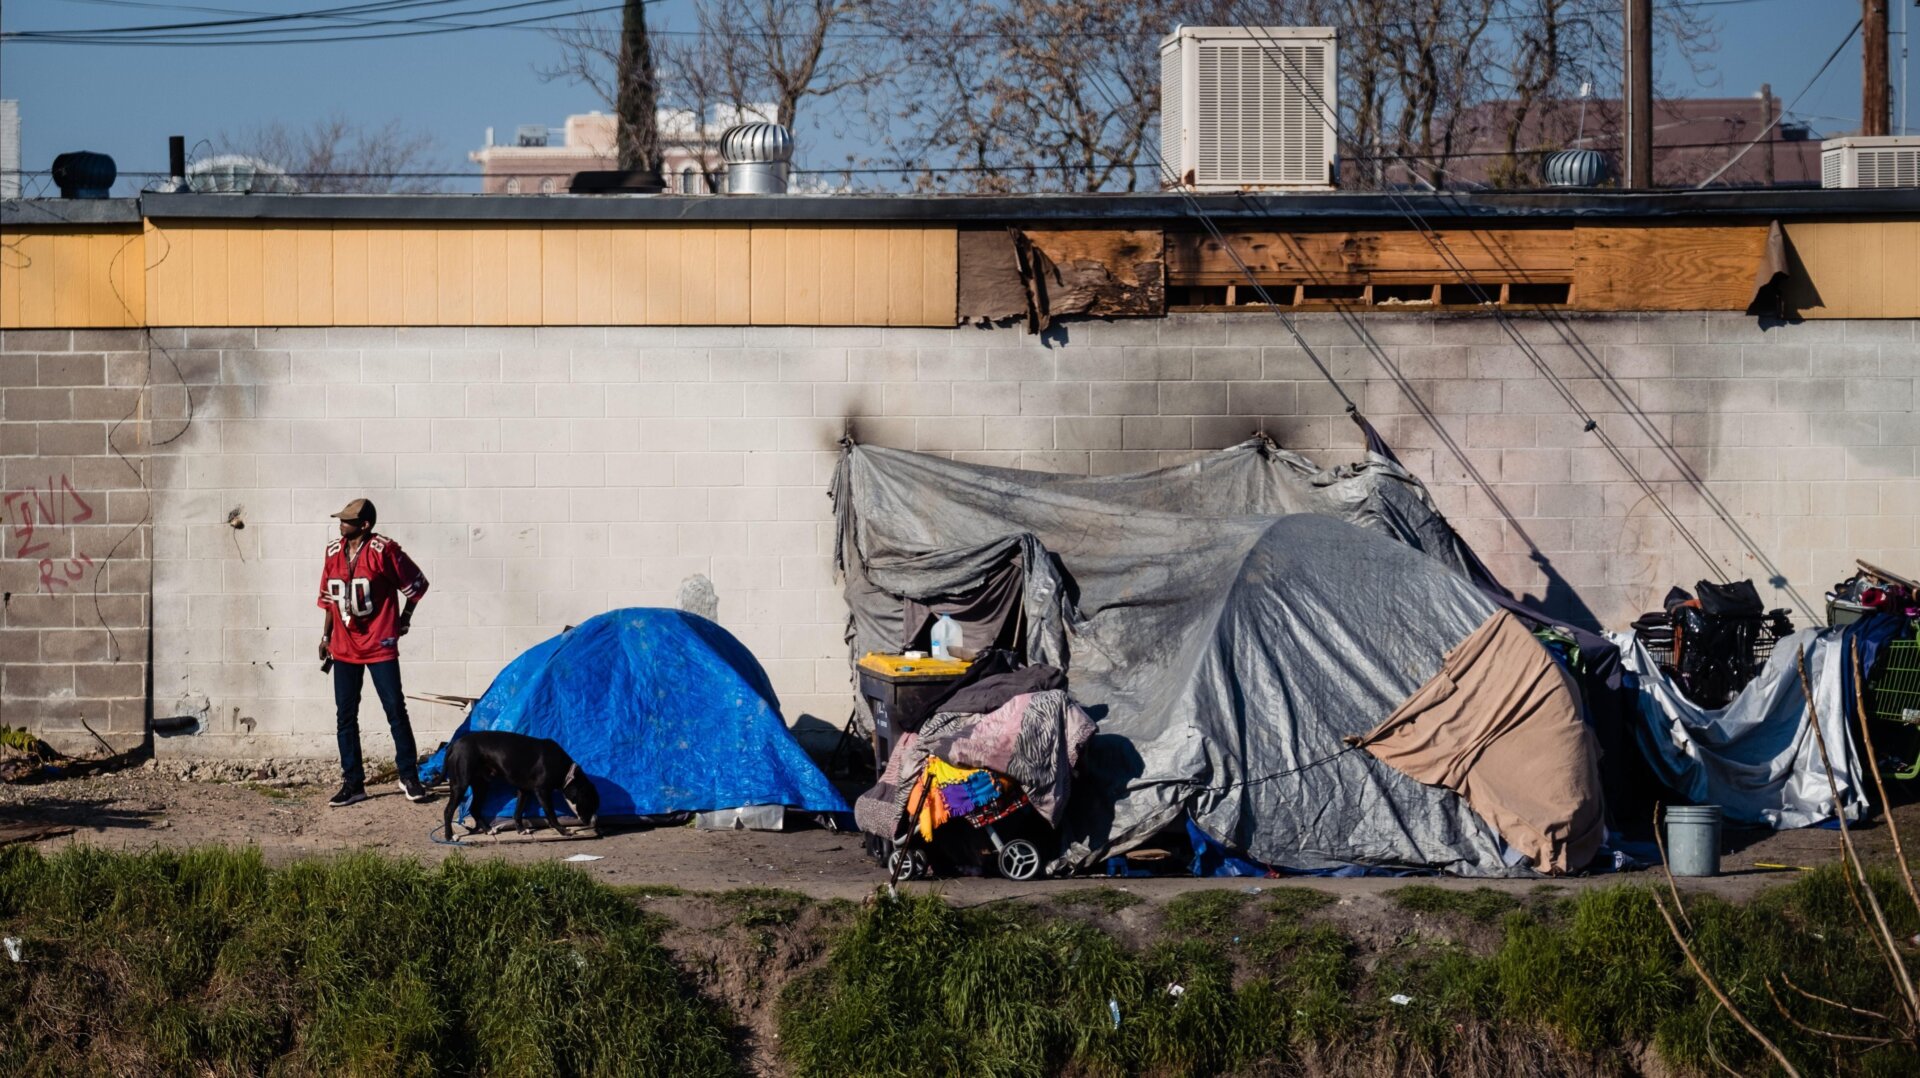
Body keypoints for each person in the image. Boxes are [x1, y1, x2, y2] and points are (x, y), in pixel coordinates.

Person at [318, 498, 431, 808]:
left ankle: (409, 775)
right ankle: (353, 783)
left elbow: (417, 585)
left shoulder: (384, 550)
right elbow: (329, 599)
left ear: (364, 525)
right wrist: (326, 636)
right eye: (341, 519)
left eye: (347, 520)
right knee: (345, 715)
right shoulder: (333, 552)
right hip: (344, 645)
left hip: (379, 643)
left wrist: (404, 619)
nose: (341, 524)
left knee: (395, 709)